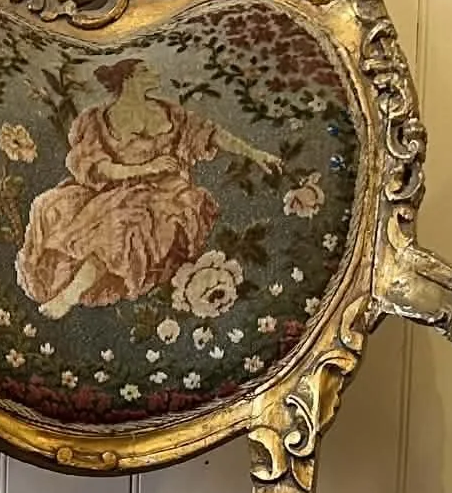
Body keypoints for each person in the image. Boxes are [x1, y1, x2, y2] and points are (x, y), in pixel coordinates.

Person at [14, 57, 279, 320]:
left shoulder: (169, 112)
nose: (153, 73)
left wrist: (255, 154)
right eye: (145, 70)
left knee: (123, 225)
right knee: (50, 206)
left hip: (167, 196)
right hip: (118, 189)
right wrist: (145, 168)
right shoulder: (98, 119)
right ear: (128, 78)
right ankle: (65, 287)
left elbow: (212, 134)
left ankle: (69, 296)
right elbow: (100, 167)